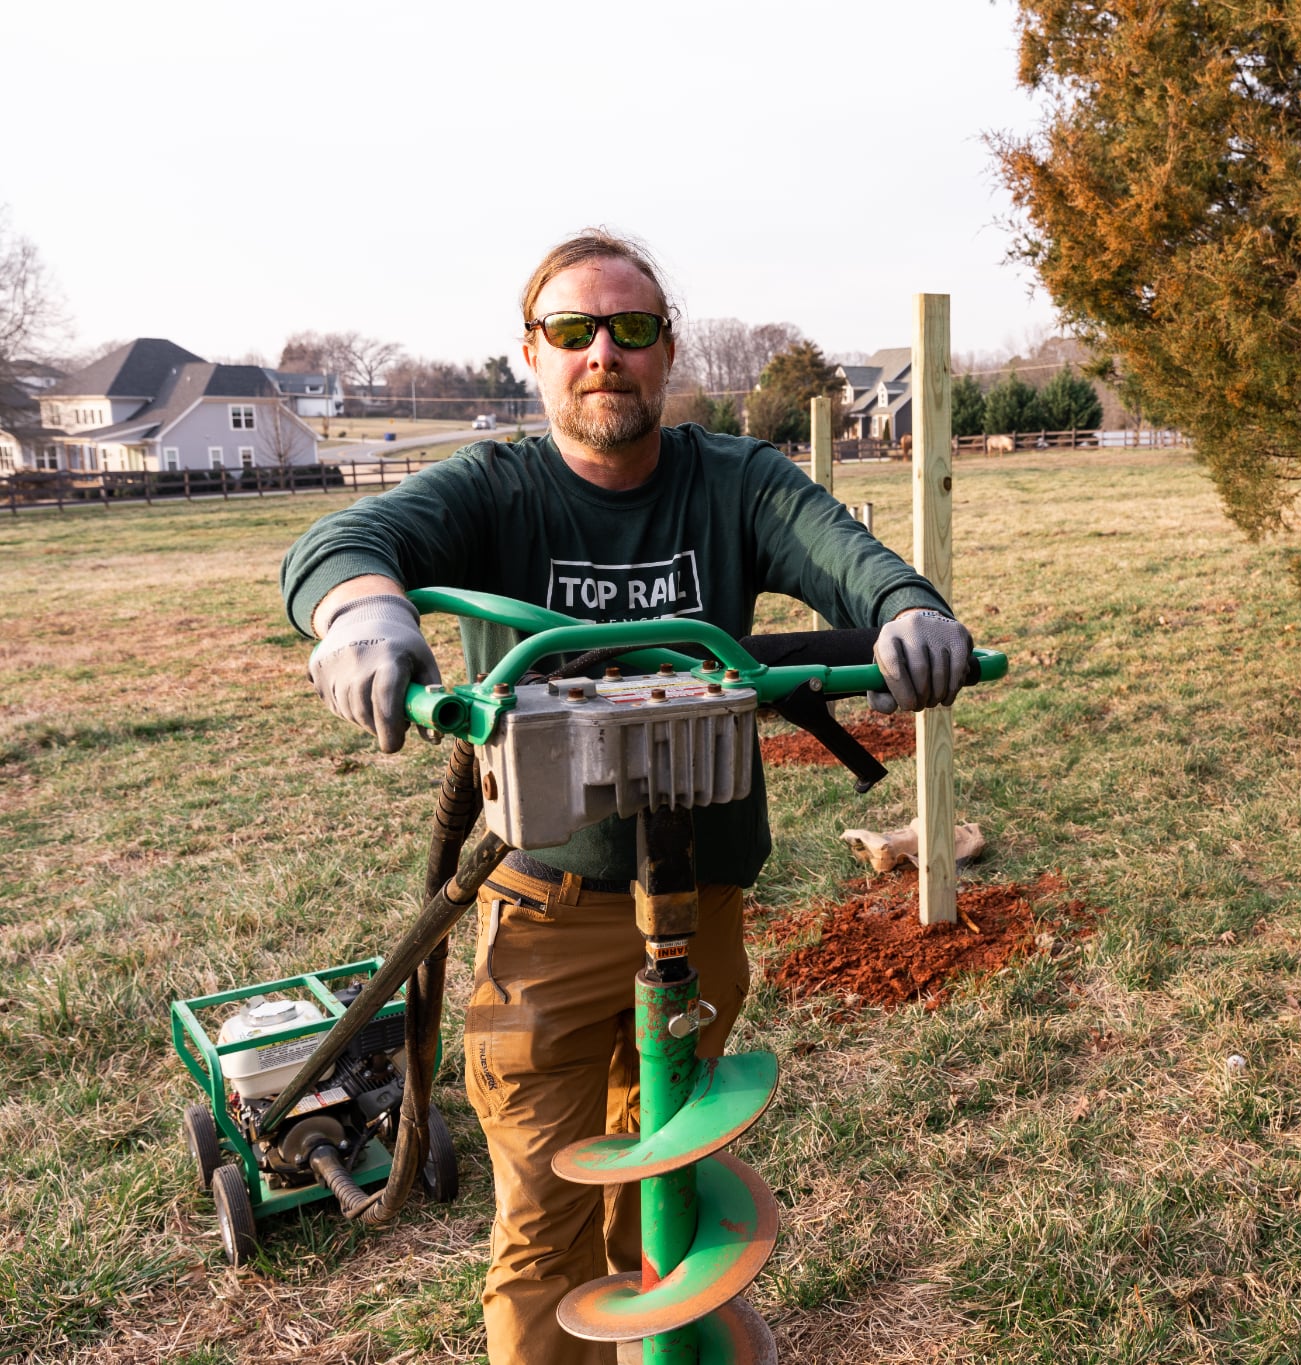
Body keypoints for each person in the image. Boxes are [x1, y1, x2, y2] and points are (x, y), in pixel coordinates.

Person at [279, 229, 972, 1365]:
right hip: (543, 916)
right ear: (532, 355)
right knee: (547, 1220)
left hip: (701, 913)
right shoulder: (496, 488)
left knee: (653, 1187)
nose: (604, 351)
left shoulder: (734, 480)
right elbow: (346, 542)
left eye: (632, 329)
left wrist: (902, 608)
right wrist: (362, 612)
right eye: (572, 331)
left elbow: (843, 552)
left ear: (665, 351)